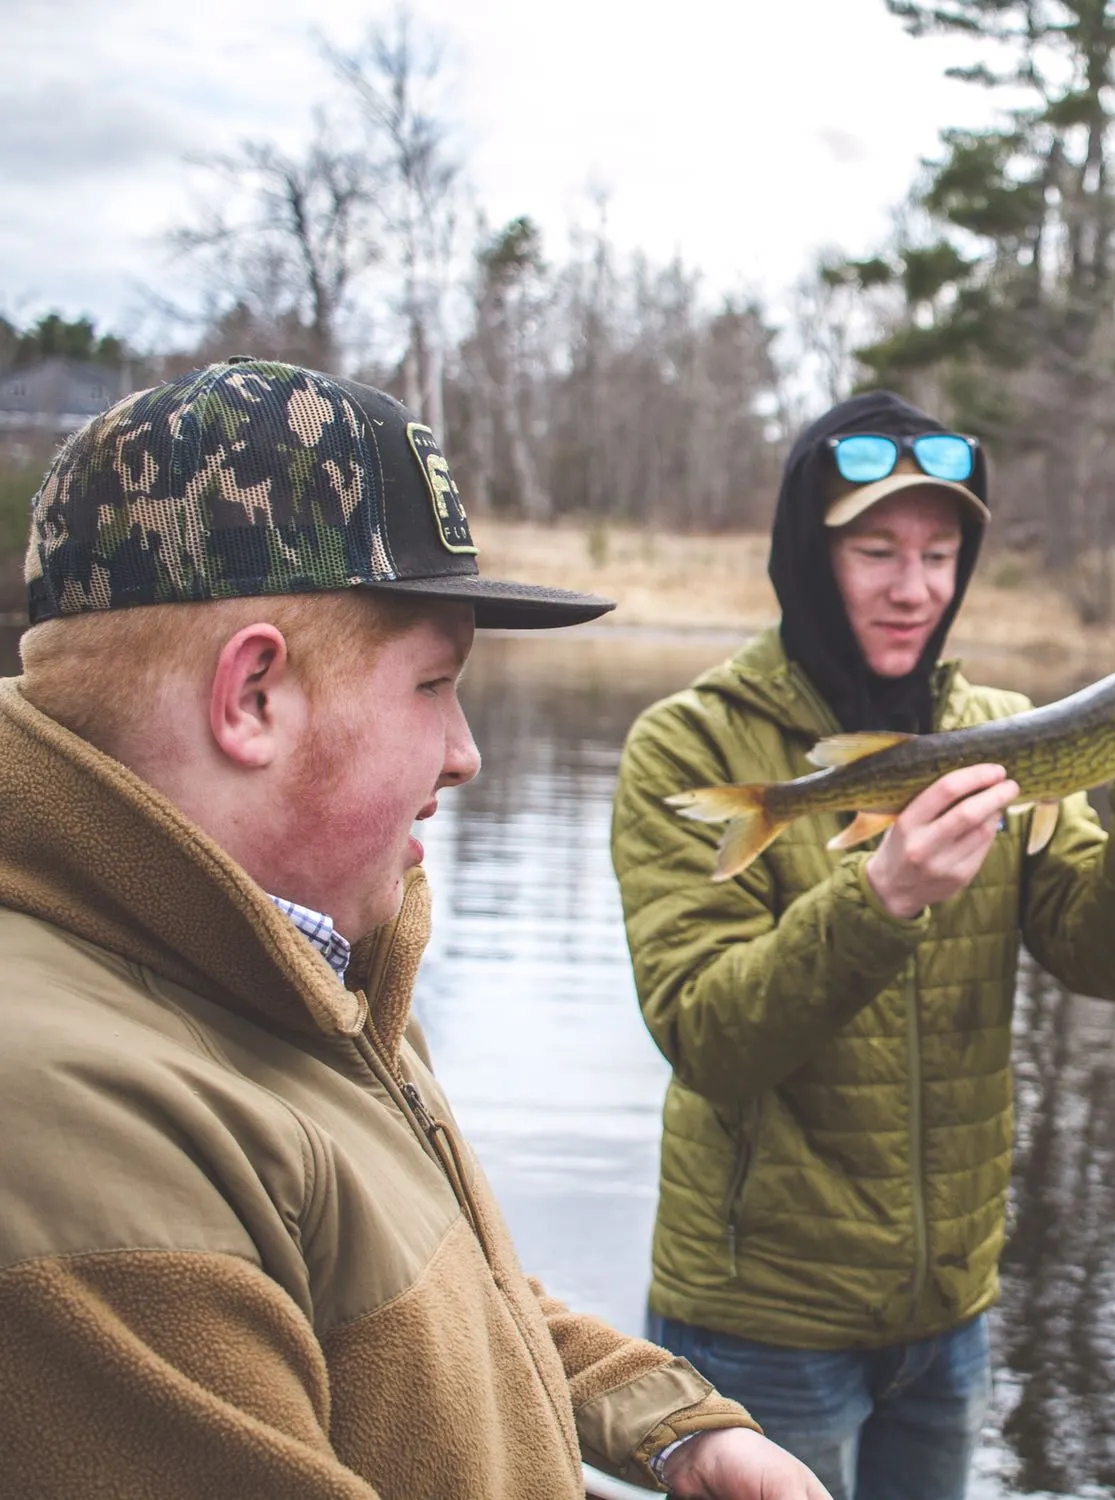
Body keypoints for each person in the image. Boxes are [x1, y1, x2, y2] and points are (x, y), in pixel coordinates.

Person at [0, 358, 833, 1500]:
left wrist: (671, 1426)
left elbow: (416, 1288)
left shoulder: (287, 958)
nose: (465, 752)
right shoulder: (68, 1128)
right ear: (253, 698)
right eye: (434, 683)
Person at [609, 390, 1115, 1500]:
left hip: (949, 1318)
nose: (913, 586)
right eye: (876, 548)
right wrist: (877, 900)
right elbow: (707, 1038)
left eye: (939, 552)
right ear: (806, 554)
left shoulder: (1007, 726)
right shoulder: (685, 745)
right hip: (761, 1327)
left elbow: (1111, 966)